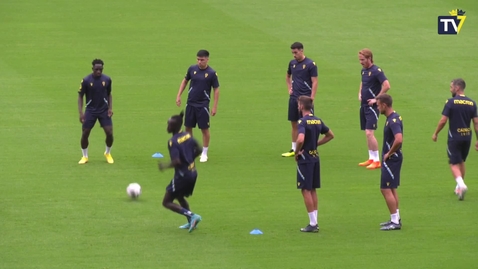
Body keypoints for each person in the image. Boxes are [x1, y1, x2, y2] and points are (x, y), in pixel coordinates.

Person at [432, 78, 478, 201]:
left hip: (455, 137)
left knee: (453, 162)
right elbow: (476, 123)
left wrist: (436, 133)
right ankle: (459, 187)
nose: (450, 89)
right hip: (467, 137)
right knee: (461, 160)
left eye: (451, 87)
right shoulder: (472, 103)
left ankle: (461, 185)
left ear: (457, 88)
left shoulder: (451, 102)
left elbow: (443, 120)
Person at [294, 96, 334, 233]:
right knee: (312, 189)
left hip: (305, 159)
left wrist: (297, 152)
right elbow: (330, 135)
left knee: (305, 189)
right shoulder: (317, 120)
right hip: (315, 157)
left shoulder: (302, 122)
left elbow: (300, 139)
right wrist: (316, 144)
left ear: (301, 106)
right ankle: (315, 221)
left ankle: (313, 223)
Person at [159, 111, 203, 233]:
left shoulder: (172, 141)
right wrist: (190, 159)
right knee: (179, 196)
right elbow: (199, 149)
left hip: (182, 175)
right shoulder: (188, 135)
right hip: (193, 172)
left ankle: (192, 216)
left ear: (174, 126)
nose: (167, 127)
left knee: (166, 202)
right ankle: (191, 223)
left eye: (169, 125)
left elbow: (177, 161)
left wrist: (164, 165)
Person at [176, 49, 220, 163]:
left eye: (202, 59)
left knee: (204, 129)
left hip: (203, 105)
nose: (199, 62)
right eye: (198, 59)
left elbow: (216, 90)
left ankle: (204, 153)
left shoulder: (211, 73)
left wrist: (215, 106)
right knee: (188, 127)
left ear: (207, 59)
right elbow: (185, 81)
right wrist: (179, 95)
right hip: (190, 103)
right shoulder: (192, 69)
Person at [282, 42, 318, 157]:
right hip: (294, 98)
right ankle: (293, 149)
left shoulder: (310, 64)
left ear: (301, 51)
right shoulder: (292, 64)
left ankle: (310, 147)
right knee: (294, 123)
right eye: (292, 53)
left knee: (308, 123)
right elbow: (287, 76)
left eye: (296, 52)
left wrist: (312, 97)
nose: (294, 55)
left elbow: (315, 81)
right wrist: (289, 88)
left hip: (305, 99)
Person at [358, 49, 391, 169]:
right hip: (364, 105)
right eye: (360, 60)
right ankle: (371, 157)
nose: (361, 62)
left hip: (372, 107)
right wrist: (360, 93)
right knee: (366, 133)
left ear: (369, 58)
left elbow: (387, 85)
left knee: (369, 132)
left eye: (363, 60)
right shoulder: (364, 71)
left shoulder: (376, 71)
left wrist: (376, 99)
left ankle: (377, 160)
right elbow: (363, 83)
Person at [77, 59, 114, 164]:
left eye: (100, 69)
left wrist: (110, 108)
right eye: (96, 69)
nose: (98, 71)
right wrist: (81, 112)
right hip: (90, 110)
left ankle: (107, 153)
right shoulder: (86, 80)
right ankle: (85, 156)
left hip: (104, 110)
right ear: (92, 68)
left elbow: (109, 94)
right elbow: (80, 96)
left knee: (109, 133)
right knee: (85, 133)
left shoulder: (107, 79)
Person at [375, 94, 403, 231]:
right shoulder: (393, 118)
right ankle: (396, 218)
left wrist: (389, 153)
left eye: (378, 105)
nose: (377, 108)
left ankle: (394, 221)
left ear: (384, 105)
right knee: (391, 188)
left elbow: (399, 139)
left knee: (385, 188)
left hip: (392, 159)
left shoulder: (393, 121)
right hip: (393, 158)